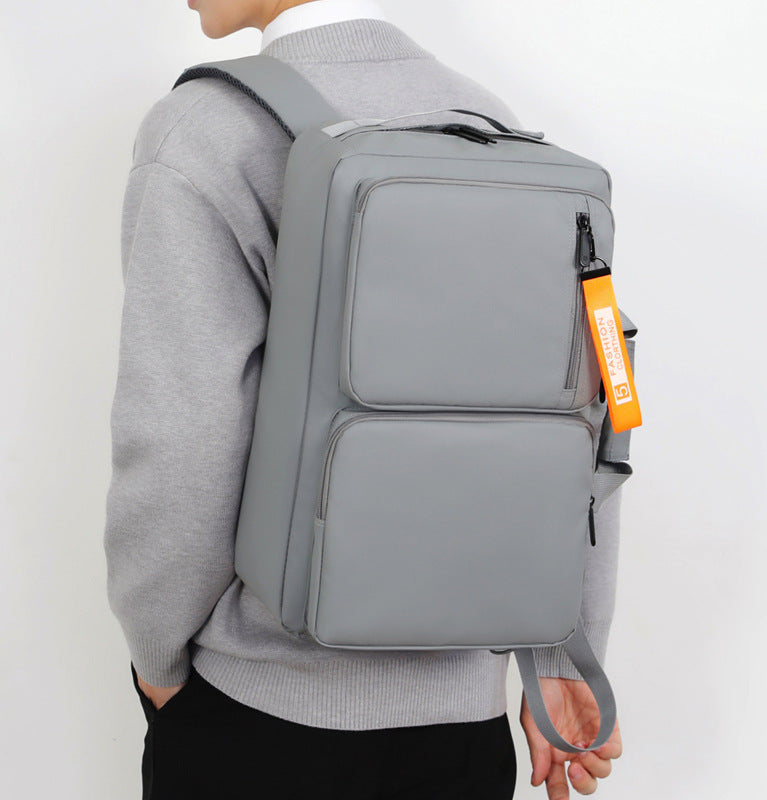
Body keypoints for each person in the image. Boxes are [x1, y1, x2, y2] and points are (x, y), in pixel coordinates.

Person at [103, 1, 624, 797]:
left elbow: (181, 442)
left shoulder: (205, 131)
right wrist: (564, 654)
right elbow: (589, 411)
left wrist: (158, 660)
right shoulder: (490, 121)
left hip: (261, 717)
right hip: (467, 734)